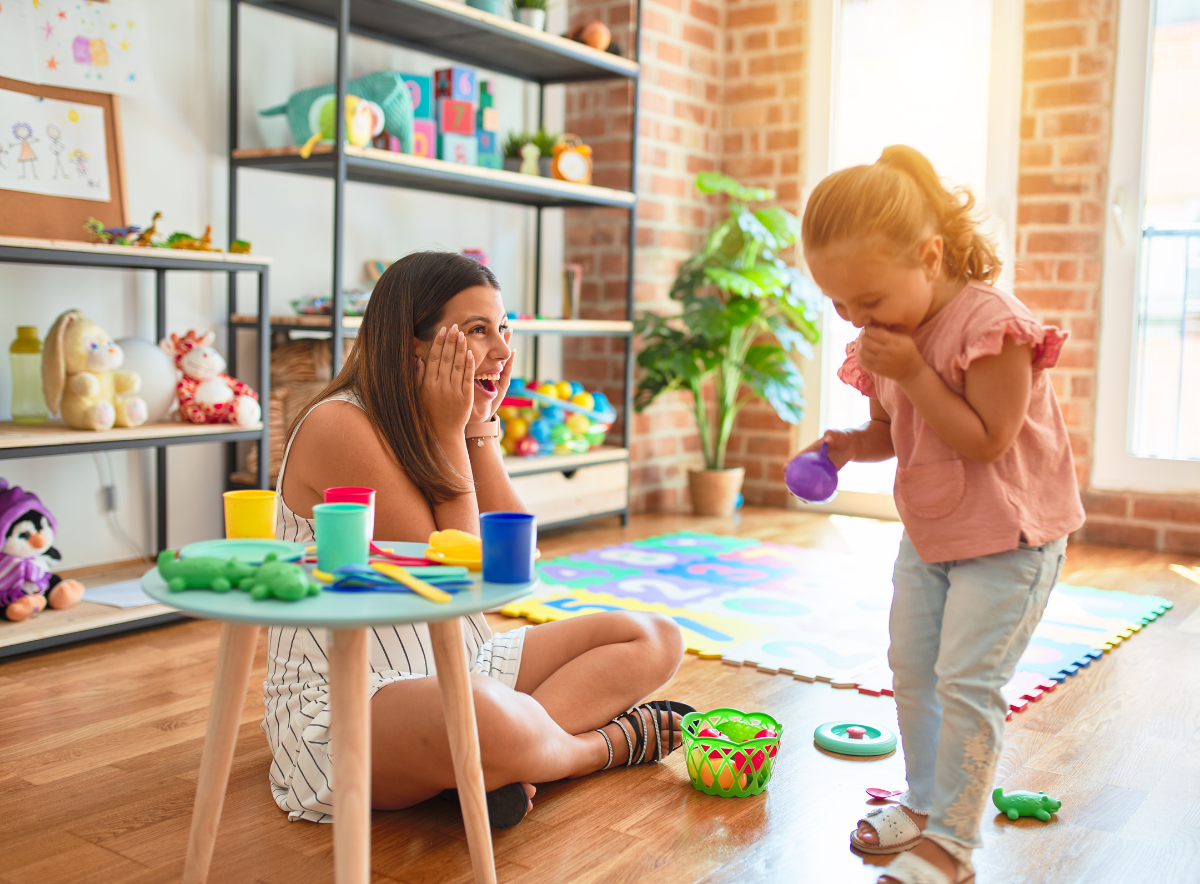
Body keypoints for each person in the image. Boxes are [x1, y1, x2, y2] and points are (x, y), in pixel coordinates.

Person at [265, 251, 691, 827]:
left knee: (654, 636)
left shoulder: (442, 417)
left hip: (461, 661)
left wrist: (477, 428)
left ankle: (491, 763)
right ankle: (589, 751)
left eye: (504, 329)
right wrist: (450, 432)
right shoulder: (340, 426)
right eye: (477, 331)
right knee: (487, 714)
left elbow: (515, 557)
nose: (503, 351)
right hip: (348, 701)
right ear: (413, 345)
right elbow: (461, 575)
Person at [797, 146, 1084, 884]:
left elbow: (986, 439)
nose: (857, 320)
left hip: (1008, 538)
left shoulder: (993, 327)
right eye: (840, 306)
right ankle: (925, 804)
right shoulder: (888, 338)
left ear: (929, 256)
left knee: (967, 680)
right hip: (933, 532)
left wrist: (916, 372)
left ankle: (951, 845)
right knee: (914, 669)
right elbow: (899, 429)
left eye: (869, 301)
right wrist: (851, 445)